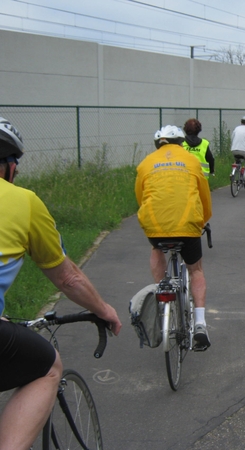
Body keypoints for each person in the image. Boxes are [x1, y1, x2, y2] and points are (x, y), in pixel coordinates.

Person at [0, 117, 122, 450]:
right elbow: (67, 277)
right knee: (48, 367)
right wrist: (105, 310)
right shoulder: (23, 201)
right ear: (8, 166)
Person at [135, 124, 212, 351]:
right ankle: (200, 323)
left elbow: (141, 197)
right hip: (188, 226)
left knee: (156, 249)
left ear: (158, 144)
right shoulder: (191, 161)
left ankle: (161, 293)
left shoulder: (145, 163)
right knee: (195, 270)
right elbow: (204, 197)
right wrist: (203, 220)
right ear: (181, 142)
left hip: (155, 225)